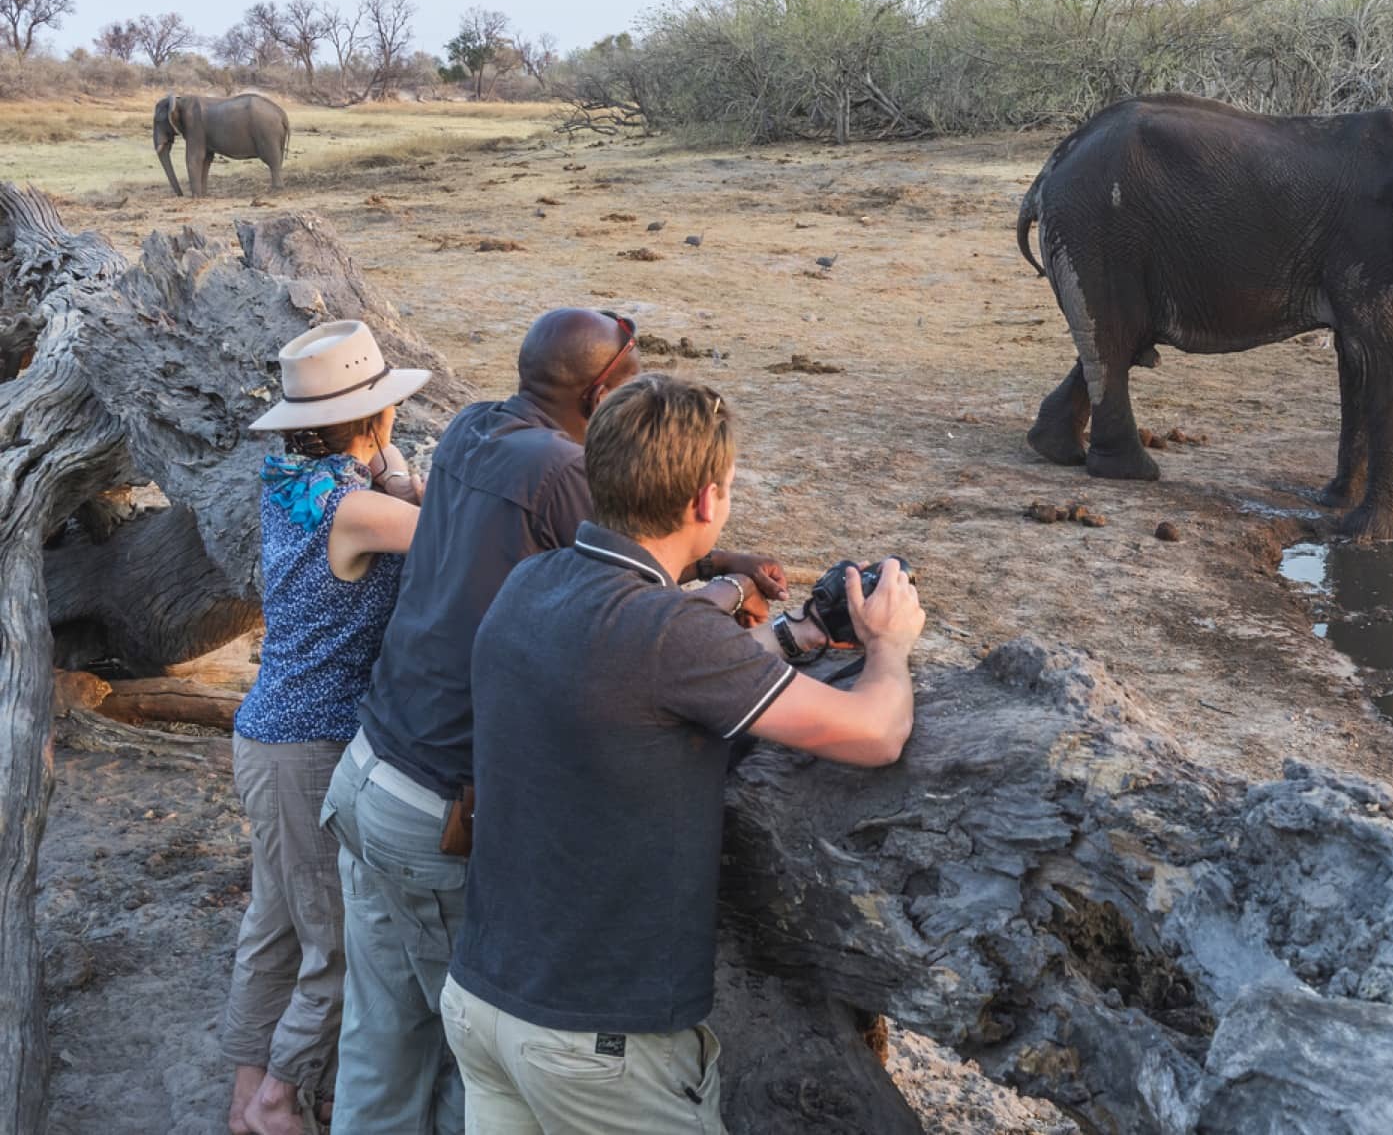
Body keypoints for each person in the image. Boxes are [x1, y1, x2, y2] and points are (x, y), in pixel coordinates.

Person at [322, 309, 796, 1134]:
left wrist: (719, 562)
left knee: (382, 1042)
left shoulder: (475, 429)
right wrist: (725, 589)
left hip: (368, 771)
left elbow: (589, 529)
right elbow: (631, 586)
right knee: (482, 1067)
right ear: (605, 390)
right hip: (440, 809)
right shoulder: (563, 466)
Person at [441, 374, 925, 1134]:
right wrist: (889, 647)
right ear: (707, 501)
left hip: (484, 1002)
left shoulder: (534, 581)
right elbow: (876, 730)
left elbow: (651, 678)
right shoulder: (670, 635)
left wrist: (796, 635)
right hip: (596, 1044)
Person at [223, 320, 430, 1135]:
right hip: (310, 748)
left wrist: (386, 463)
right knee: (335, 943)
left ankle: (244, 1097)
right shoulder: (356, 510)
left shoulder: (289, 481)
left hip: (268, 735)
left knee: (274, 927)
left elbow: (388, 497)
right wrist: (403, 468)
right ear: (376, 420)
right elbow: (458, 535)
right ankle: (281, 1100)